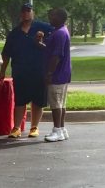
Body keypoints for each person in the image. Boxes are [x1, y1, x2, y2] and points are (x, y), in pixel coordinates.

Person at [0, 3, 53, 138]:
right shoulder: (14, 33)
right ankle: (16, 128)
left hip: (39, 70)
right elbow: (6, 54)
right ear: (20, 14)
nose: (26, 14)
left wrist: (41, 43)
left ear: (33, 12)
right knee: (20, 100)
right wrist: (2, 71)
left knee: (38, 100)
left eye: (28, 11)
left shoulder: (44, 28)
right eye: (23, 11)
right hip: (20, 71)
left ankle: (34, 127)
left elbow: (52, 48)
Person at [43, 8, 71, 142]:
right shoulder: (61, 31)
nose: (50, 18)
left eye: (53, 16)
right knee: (61, 103)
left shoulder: (59, 33)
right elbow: (50, 49)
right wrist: (40, 44)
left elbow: (56, 56)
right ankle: (62, 129)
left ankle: (57, 130)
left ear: (60, 17)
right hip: (64, 73)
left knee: (56, 104)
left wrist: (49, 73)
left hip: (58, 74)